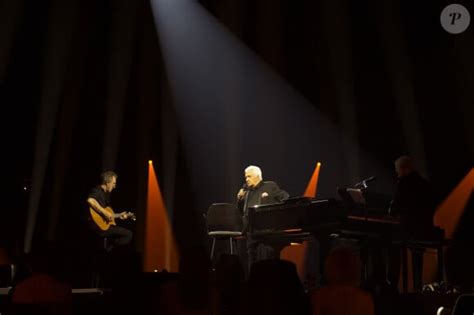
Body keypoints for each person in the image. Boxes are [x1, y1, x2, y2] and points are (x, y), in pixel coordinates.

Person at [387, 156, 437, 292]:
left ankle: (391, 286)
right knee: (416, 252)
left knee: (391, 244)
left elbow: (394, 209)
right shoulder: (425, 183)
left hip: (409, 229)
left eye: (398, 171)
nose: (397, 174)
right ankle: (417, 287)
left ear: (404, 169)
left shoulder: (403, 183)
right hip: (426, 229)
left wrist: (392, 210)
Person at [236, 165, 289, 273]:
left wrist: (277, 215)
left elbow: (285, 198)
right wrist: (240, 199)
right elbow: (241, 211)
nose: (246, 179)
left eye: (249, 176)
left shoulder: (270, 186)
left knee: (269, 260)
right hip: (252, 231)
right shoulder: (247, 192)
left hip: (268, 231)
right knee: (252, 260)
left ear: (257, 176)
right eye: (245, 177)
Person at [86, 171, 133, 250]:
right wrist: (104, 213)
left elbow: (109, 215)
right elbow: (90, 200)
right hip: (97, 228)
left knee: (123, 232)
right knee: (128, 234)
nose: (114, 186)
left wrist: (119, 215)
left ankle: (110, 247)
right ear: (107, 182)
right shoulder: (98, 191)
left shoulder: (105, 195)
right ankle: (110, 247)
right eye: (113, 183)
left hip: (103, 227)